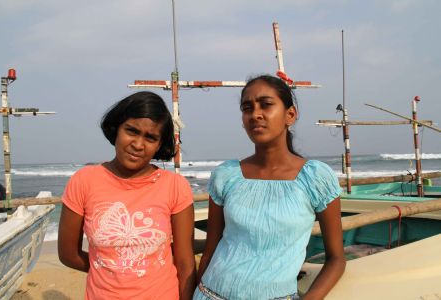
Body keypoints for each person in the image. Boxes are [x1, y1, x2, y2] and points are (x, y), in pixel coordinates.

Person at [194, 75, 346, 300]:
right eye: (247, 108)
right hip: (209, 294)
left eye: (266, 105)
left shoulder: (315, 178)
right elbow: (210, 251)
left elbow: (336, 259)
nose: (255, 114)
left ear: (290, 115)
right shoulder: (226, 175)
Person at [58, 91, 196, 300]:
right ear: (116, 128)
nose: (138, 145)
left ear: (159, 144)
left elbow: (185, 263)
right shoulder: (84, 181)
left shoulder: (175, 186)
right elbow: (68, 254)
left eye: (150, 138)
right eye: (131, 131)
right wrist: (110, 270)